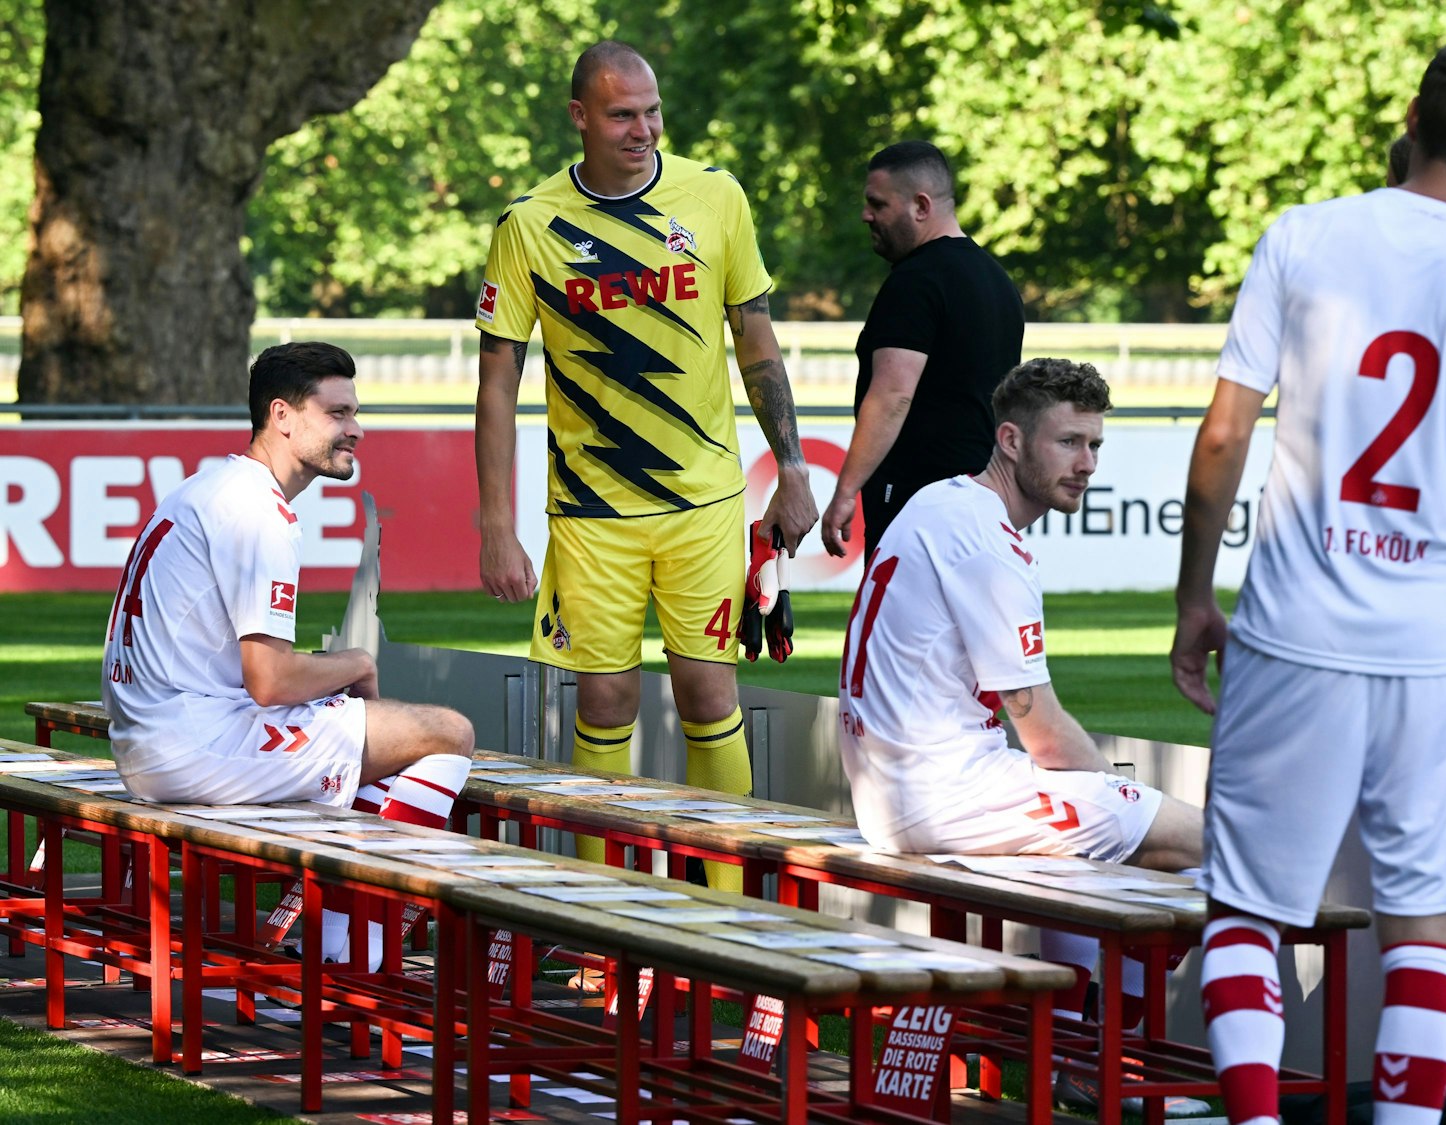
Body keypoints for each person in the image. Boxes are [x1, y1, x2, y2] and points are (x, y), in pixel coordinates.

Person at [1171, 35, 1446, 1125]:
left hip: (1291, 630)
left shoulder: (1306, 235)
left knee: (1245, 912)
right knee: (1426, 925)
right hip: (1438, 652)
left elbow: (1224, 437)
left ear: (1411, 115)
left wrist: (1192, 596)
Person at [472, 41, 818, 886]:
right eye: (623, 114)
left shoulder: (715, 196)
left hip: (703, 504)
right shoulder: (529, 224)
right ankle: (606, 911)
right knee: (603, 705)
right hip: (590, 515)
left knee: (711, 699)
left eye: (652, 111)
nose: (644, 129)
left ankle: (726, 908)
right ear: (579, 117)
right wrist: (494, 523)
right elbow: (497, 381)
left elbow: (757, 340)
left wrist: (795, 467)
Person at [836, 358, 1207, 1116]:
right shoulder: (986, 541)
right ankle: (1108, 1056)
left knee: (1085, 847)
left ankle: (1078, 1047)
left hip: (903, 784)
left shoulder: (940, 502)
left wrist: (1101, 804)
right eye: (1069, 442)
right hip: (939, 792)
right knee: (1201, 842)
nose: (1087, 464)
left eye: (1096, 445)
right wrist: (1112, 796)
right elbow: (1038, 723)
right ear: (1009, 439)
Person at [102, 341, 476, 966]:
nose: (355, 429)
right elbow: (270, 680)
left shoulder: (212, 486)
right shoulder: (258, 511)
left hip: (156, 736)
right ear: (282, 415)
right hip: (191, 745)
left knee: (363, 731)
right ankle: (358, 951)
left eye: (355, 413)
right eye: (337, 413)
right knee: (447, 733)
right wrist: (356, 663)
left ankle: (337, 935)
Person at [822, 140, 1025, 562]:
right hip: (986, 497)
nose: (866, 215)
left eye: (878, 204)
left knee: (902, 623)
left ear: (920, 205)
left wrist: (845, 492)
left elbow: (893, 395)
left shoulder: (915, 281)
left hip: (919, 500)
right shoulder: (998, 281)